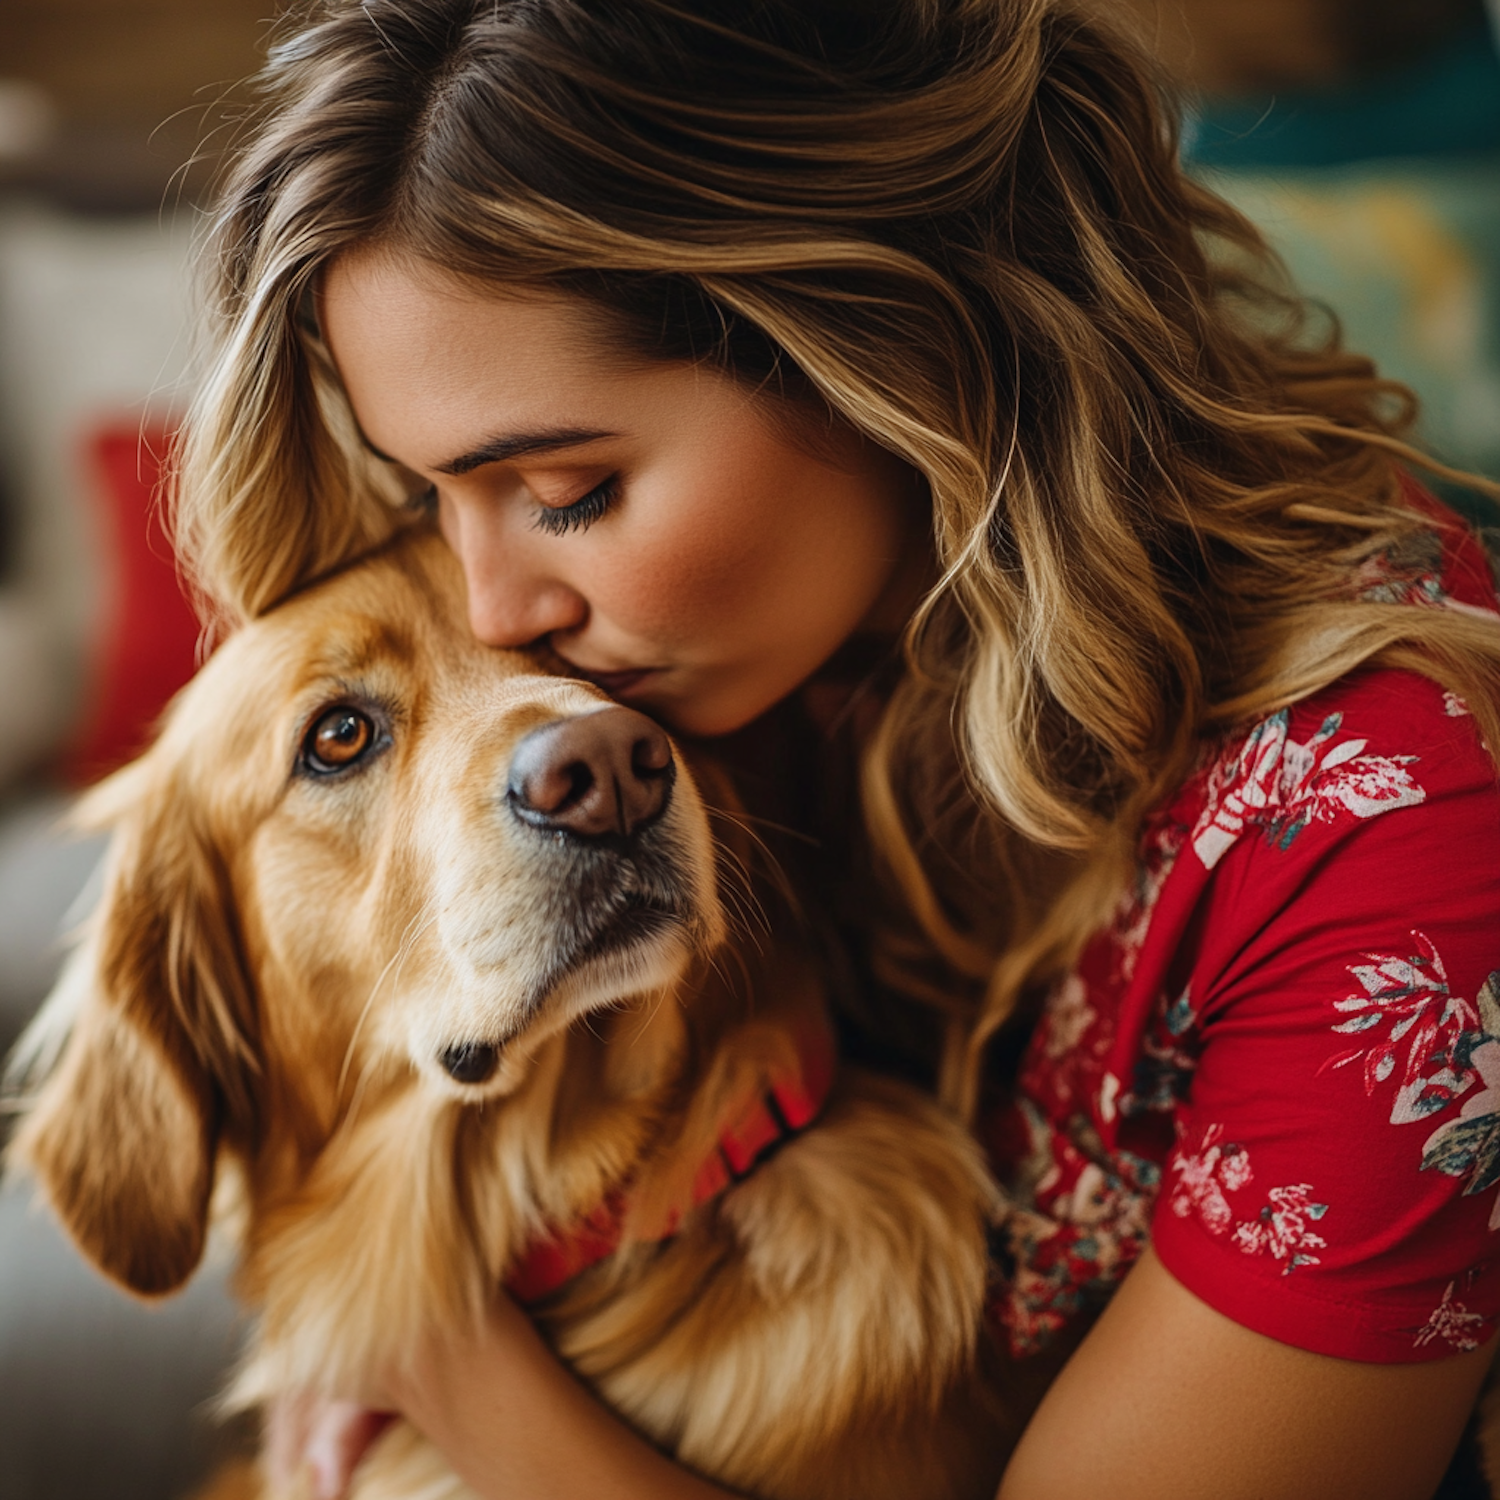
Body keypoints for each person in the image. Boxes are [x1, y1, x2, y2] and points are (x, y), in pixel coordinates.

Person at [173, 0, 1500, 1495]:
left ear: (886, 351)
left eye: (565, 488)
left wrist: (442, 1371)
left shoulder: (1398, 833)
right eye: (435, 496)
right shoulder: (765, 626)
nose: (497, 611)